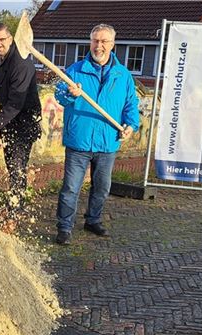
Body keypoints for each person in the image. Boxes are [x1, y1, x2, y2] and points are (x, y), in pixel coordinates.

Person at [54, 24, 139, 245]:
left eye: (103, 41)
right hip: (79, 141)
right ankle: (64, 227)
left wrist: (131, 125)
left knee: (102, 187)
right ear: (90, 42)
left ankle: (93, 220)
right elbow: (60, 95)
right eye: (95, 41)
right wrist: (70, 94)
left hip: (107, 141)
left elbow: (131, 105)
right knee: (71, 187)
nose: (98, 46)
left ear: (112, 44)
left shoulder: (123, 76)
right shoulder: (75, 71)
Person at [0, 22, 42, 233]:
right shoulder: (1, 60)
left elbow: (16, 103)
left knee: (17, 171)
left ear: (11, 39)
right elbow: (4, 82)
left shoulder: (22, 64)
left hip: (24, 123)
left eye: (2, 40)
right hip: (10, 123)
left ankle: (14, 216)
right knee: (12, 168)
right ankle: (11, 208)